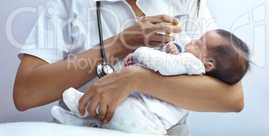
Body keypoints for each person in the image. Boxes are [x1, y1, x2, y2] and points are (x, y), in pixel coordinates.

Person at [13, 0, 245, 135]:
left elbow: (232, 97)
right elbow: (25, 93)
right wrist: (119, 44)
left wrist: (135, 79)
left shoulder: (186, 1)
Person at [50, 29, 250, 135]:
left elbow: (163, 65)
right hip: (151, 125)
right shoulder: (197, 72)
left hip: (144, 118)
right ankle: (79, 120)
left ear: (208, 64)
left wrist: (139, 56)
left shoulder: (192, 63)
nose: (191, 41)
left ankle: (80, 107)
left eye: (198, 43)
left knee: (119, 108)